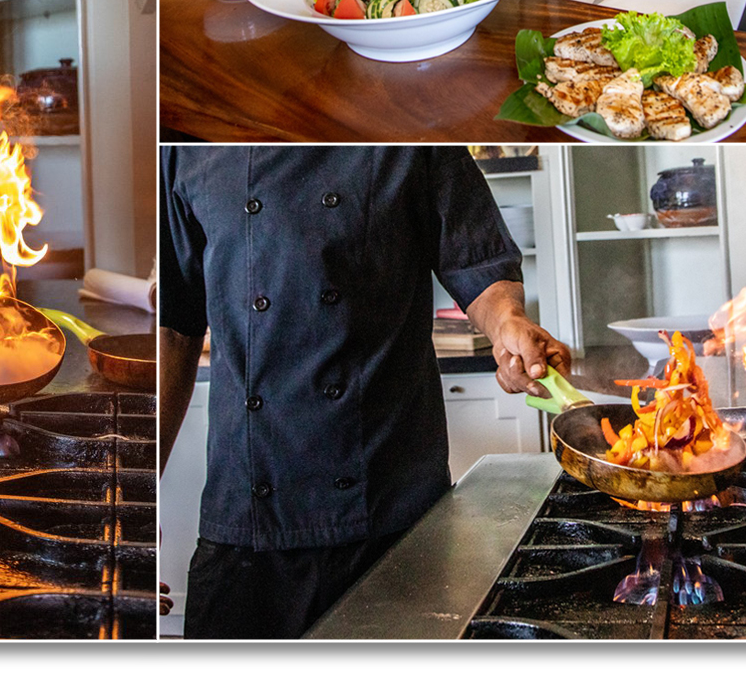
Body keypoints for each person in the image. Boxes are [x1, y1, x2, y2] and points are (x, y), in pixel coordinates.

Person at [157, 146, 571, 639]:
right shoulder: (185, 146)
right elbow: (175, 328)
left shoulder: (409, 129)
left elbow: (477, 265)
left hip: (391, 514)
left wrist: (508, 322)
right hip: (246, 518)